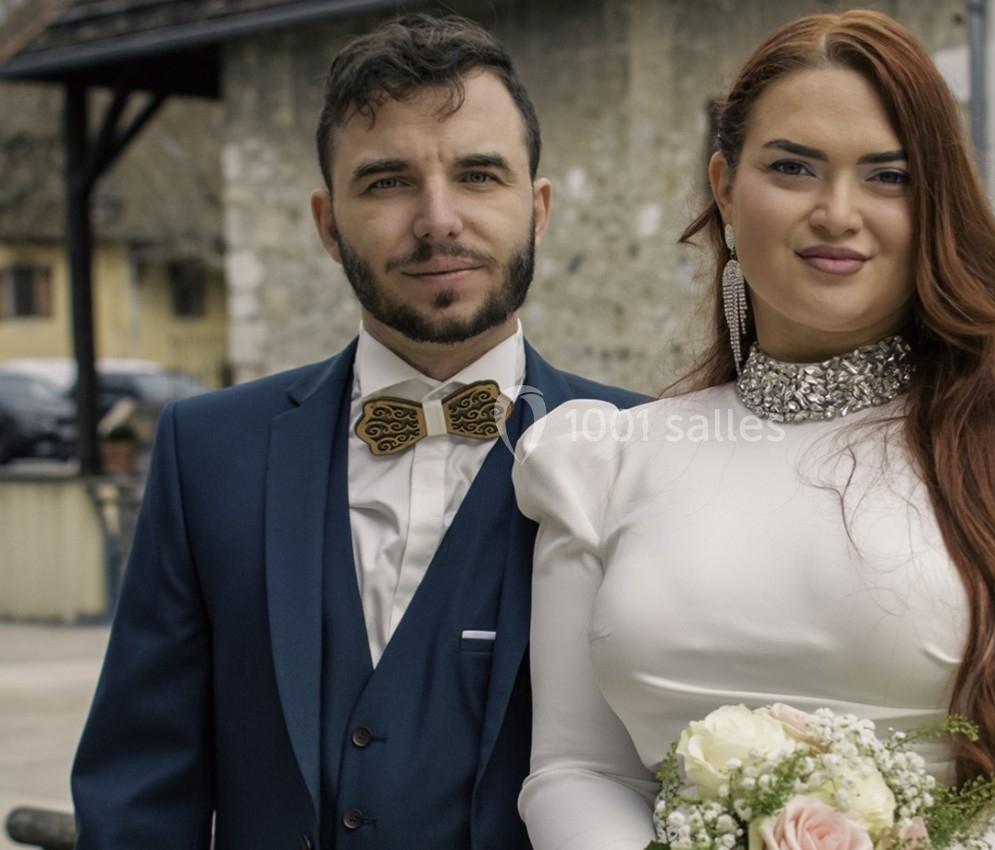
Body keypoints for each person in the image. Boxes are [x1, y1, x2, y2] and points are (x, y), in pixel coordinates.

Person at [511, 10, 995, 850]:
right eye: (793, 167)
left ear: (935, 201)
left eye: (888, 176)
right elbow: (578, 770)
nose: (837, 212)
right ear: (724, 186)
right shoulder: (603, 461)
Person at [70, 14, 642, 850]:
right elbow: (138, 794)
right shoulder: (207, 452)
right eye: (387, 182)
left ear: (538, 208)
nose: (438, 219)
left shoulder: (641, 449)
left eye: (478, 175)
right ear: (328, 223)